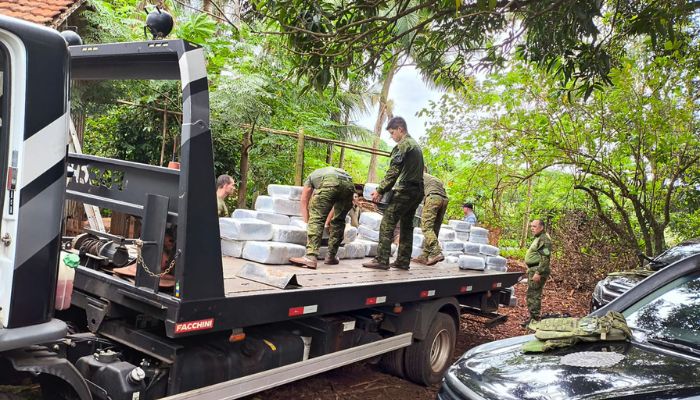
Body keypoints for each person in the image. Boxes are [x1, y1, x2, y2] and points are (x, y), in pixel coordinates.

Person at [363, 116, 424, 271]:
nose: (392, 137)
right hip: (417, 191)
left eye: (392, 133)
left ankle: (381, 260)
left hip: (406, 190)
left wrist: (380, 190)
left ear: (400, 129)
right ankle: (403, 261)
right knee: (406, 225)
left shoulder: (403, 145)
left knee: (387, 222)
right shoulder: (416, 146)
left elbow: (393, 172)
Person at [289, 167, 355, 269]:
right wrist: (328, 222)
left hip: (331, 183)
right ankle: (331, 257)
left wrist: (307, 222)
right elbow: (334, 207)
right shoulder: (330, 172)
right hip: (349, 186)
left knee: (317, 218)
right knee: (339, 221)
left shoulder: (311, 177)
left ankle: (310, 257)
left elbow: (304, 200)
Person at [413, 173, 449, 266]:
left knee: (426, 227)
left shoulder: (417, 175)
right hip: (444, 199)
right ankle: (424, 255)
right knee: (434, 228)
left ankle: (436, 252)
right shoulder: (432, 178)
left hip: (433, 197)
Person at [523, 219, 552, 327]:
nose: (532, 228)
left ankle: (534, 320)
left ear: (541, 227)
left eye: (534, 226)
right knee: (531, 294)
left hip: (537, 270)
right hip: (533, 269)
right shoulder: (538, 238)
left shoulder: (544, 239)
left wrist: (538, 273)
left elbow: (545, 258)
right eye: (531, 226)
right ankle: (532, 318)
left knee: (534, 295)